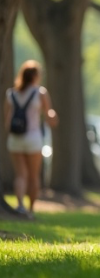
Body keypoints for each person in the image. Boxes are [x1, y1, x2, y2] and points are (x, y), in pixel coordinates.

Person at [4, 60, 57, 215]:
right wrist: (53, 117)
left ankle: (20, 205)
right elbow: (49, 116)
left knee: (21, 174)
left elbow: (7, 121)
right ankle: (31, 209)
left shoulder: (11, 93)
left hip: (15, 139)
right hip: (33, 138)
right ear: (35, 76)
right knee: (34, 176)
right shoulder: (40, 93)